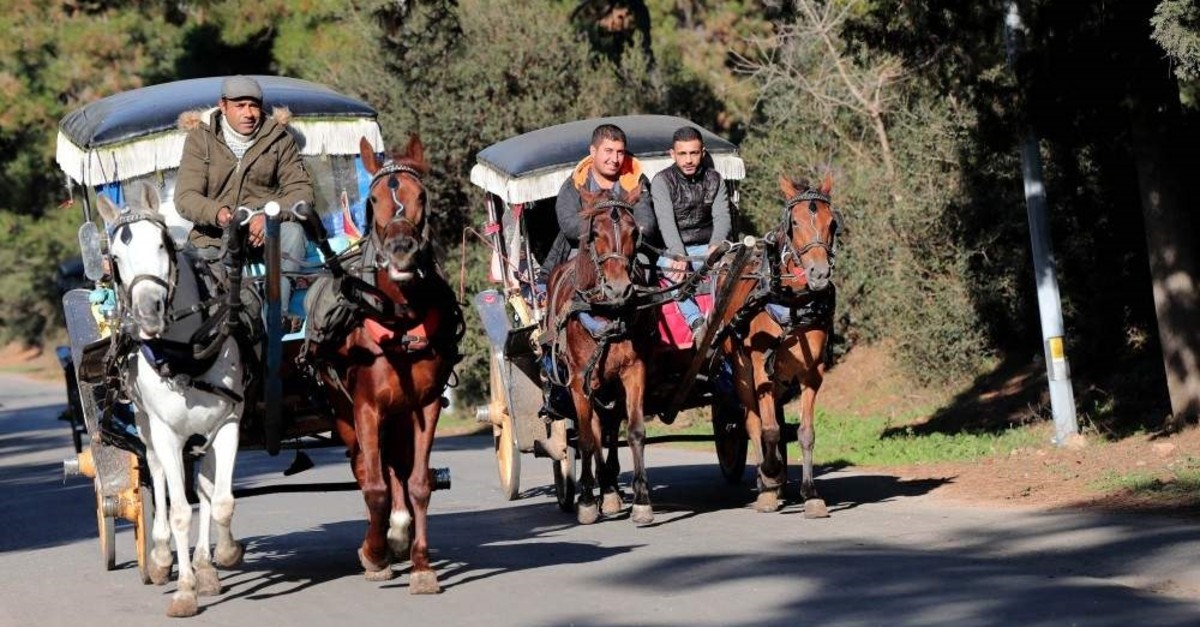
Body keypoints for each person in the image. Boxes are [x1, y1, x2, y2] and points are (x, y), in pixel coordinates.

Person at [174, 75, 314, 329]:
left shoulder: (278, 138)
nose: (248, 114)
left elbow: (302, 191)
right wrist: (220, 213)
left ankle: (276, 316)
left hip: (264, 234)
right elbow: (185, 197)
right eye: (240, 106)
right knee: (191, 272)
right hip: (214, 238)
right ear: (223, 106)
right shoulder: (199, 139)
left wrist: (268, 216)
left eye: (254, 106)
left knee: (293, 233)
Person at [539, 123, 657, 282]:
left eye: (620, 152)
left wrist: (622, 236)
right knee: (575, 279)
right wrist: (604, 229)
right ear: (593, 152)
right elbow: (569, 226)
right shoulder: (575, 184)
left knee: (644, 272)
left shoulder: (636, 181)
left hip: (627, 250)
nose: (614, 159)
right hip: (583, 249)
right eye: (608, 151)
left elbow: (646, 224)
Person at [650, 126, 731, 339]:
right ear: (672, 154)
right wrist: (678, 254)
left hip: (707, 247)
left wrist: (716, 244)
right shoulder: (662, 181)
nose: (688, 160)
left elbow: (722, 216)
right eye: (682, 154)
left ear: (702, 153)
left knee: (736, 264)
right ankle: (696, 321)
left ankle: (724, 318)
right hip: (674, 250)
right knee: (670, 268)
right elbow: (665, 222)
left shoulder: (715, 179)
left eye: (694, 153)